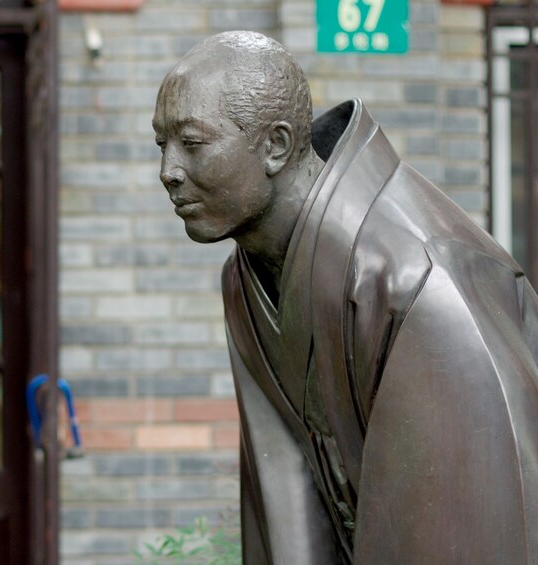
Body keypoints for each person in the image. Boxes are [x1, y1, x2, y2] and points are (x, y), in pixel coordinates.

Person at [153, 30, 538, 563]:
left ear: (277, 145)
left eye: (192, 143)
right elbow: (282, 498)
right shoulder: (247, 278)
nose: (168, 171)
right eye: (162, 145)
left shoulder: (418, 278)